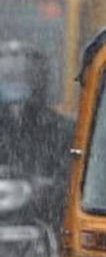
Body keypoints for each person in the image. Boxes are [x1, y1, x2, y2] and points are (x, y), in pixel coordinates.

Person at [0, 41, 72, 186]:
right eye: (9, 76)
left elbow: (70, 182)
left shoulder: (62, 130)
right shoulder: (62, 128)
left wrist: (34, 183)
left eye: (25, 75)